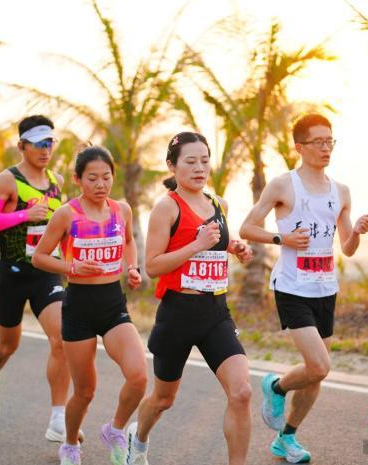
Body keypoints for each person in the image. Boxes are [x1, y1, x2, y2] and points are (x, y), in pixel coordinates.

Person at [239, 113, 368, 463]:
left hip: (326, 288)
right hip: (292, 287)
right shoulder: (283, 185)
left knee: (315, 377)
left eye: (330, 141)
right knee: (319, 366)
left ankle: (286, 438)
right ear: (299, 147)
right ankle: (276, 386)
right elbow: (247, 228)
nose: (326, 148)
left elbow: (347, 247)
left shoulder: (341, 191)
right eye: (318, 142)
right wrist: (281, 238)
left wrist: (357, 231)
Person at [126, 132, 254, 465]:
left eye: (205, 161)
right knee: (163, 399)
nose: (200, 168)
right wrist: (196, 245)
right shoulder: (166, 208)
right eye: (190, 161)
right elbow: (153, 266)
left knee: (242, 392)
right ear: (172, 165)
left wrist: (236, 247)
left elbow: (218, 241)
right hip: (178, 314)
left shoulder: (219, 204)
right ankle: (138, 439)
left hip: (216, 312)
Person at [32, 146, 147, 465]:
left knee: (138, 377)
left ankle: (115, 429)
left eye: (106, 177)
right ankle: (70, 444)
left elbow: (129, 241)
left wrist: (133, 268)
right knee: (85, 392)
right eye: (92, 178)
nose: (100, 184)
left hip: (113, 305)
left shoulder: (122, 210)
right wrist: (71, 267)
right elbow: (39, 257)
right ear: (77, 179)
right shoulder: (66, 214)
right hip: (79, 309)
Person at [0, 114, 76, 441]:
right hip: (12, 274)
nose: (45, 150)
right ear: (22, 146)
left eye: (50, 143)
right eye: (38, 144)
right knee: (7, 345)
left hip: (46, 274)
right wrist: (23, 214)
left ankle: (58, 419)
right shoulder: (7, 180)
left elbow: (59, 226)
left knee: (62, 338)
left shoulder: (57, 181)